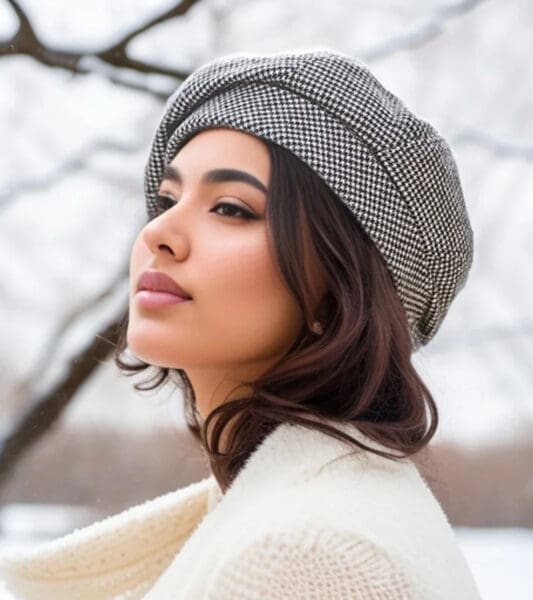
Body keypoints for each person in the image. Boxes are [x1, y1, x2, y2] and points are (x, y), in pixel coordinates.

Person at [0, 48, 481, 599]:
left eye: (230, 207)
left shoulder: (309, 555)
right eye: (166, 199)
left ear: (338, 295)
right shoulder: (301, 510)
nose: (159, 233)